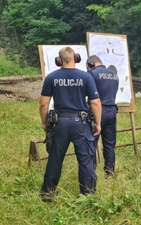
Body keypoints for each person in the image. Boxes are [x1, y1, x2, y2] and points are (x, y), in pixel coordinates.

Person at [39, 47, 102, 202]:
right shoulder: (86, 77)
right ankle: (88, 196)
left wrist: (44, 122)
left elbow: (43, 104)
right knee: (85, 160)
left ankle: (47, 196)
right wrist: (98, 123)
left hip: (59, 123)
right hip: (81, 122)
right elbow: (95, 102)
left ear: (59, 60)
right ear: (76, 58)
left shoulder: (51, 77)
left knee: (55, 159)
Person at [86, 55, 119, 178]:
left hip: (97, 111)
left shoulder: (92, 74)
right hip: (111, 111)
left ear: (90, 63)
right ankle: (110, 172)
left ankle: (90, 173)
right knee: (109, 144)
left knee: (91, 143)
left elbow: (87, 94)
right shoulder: (114, 75)